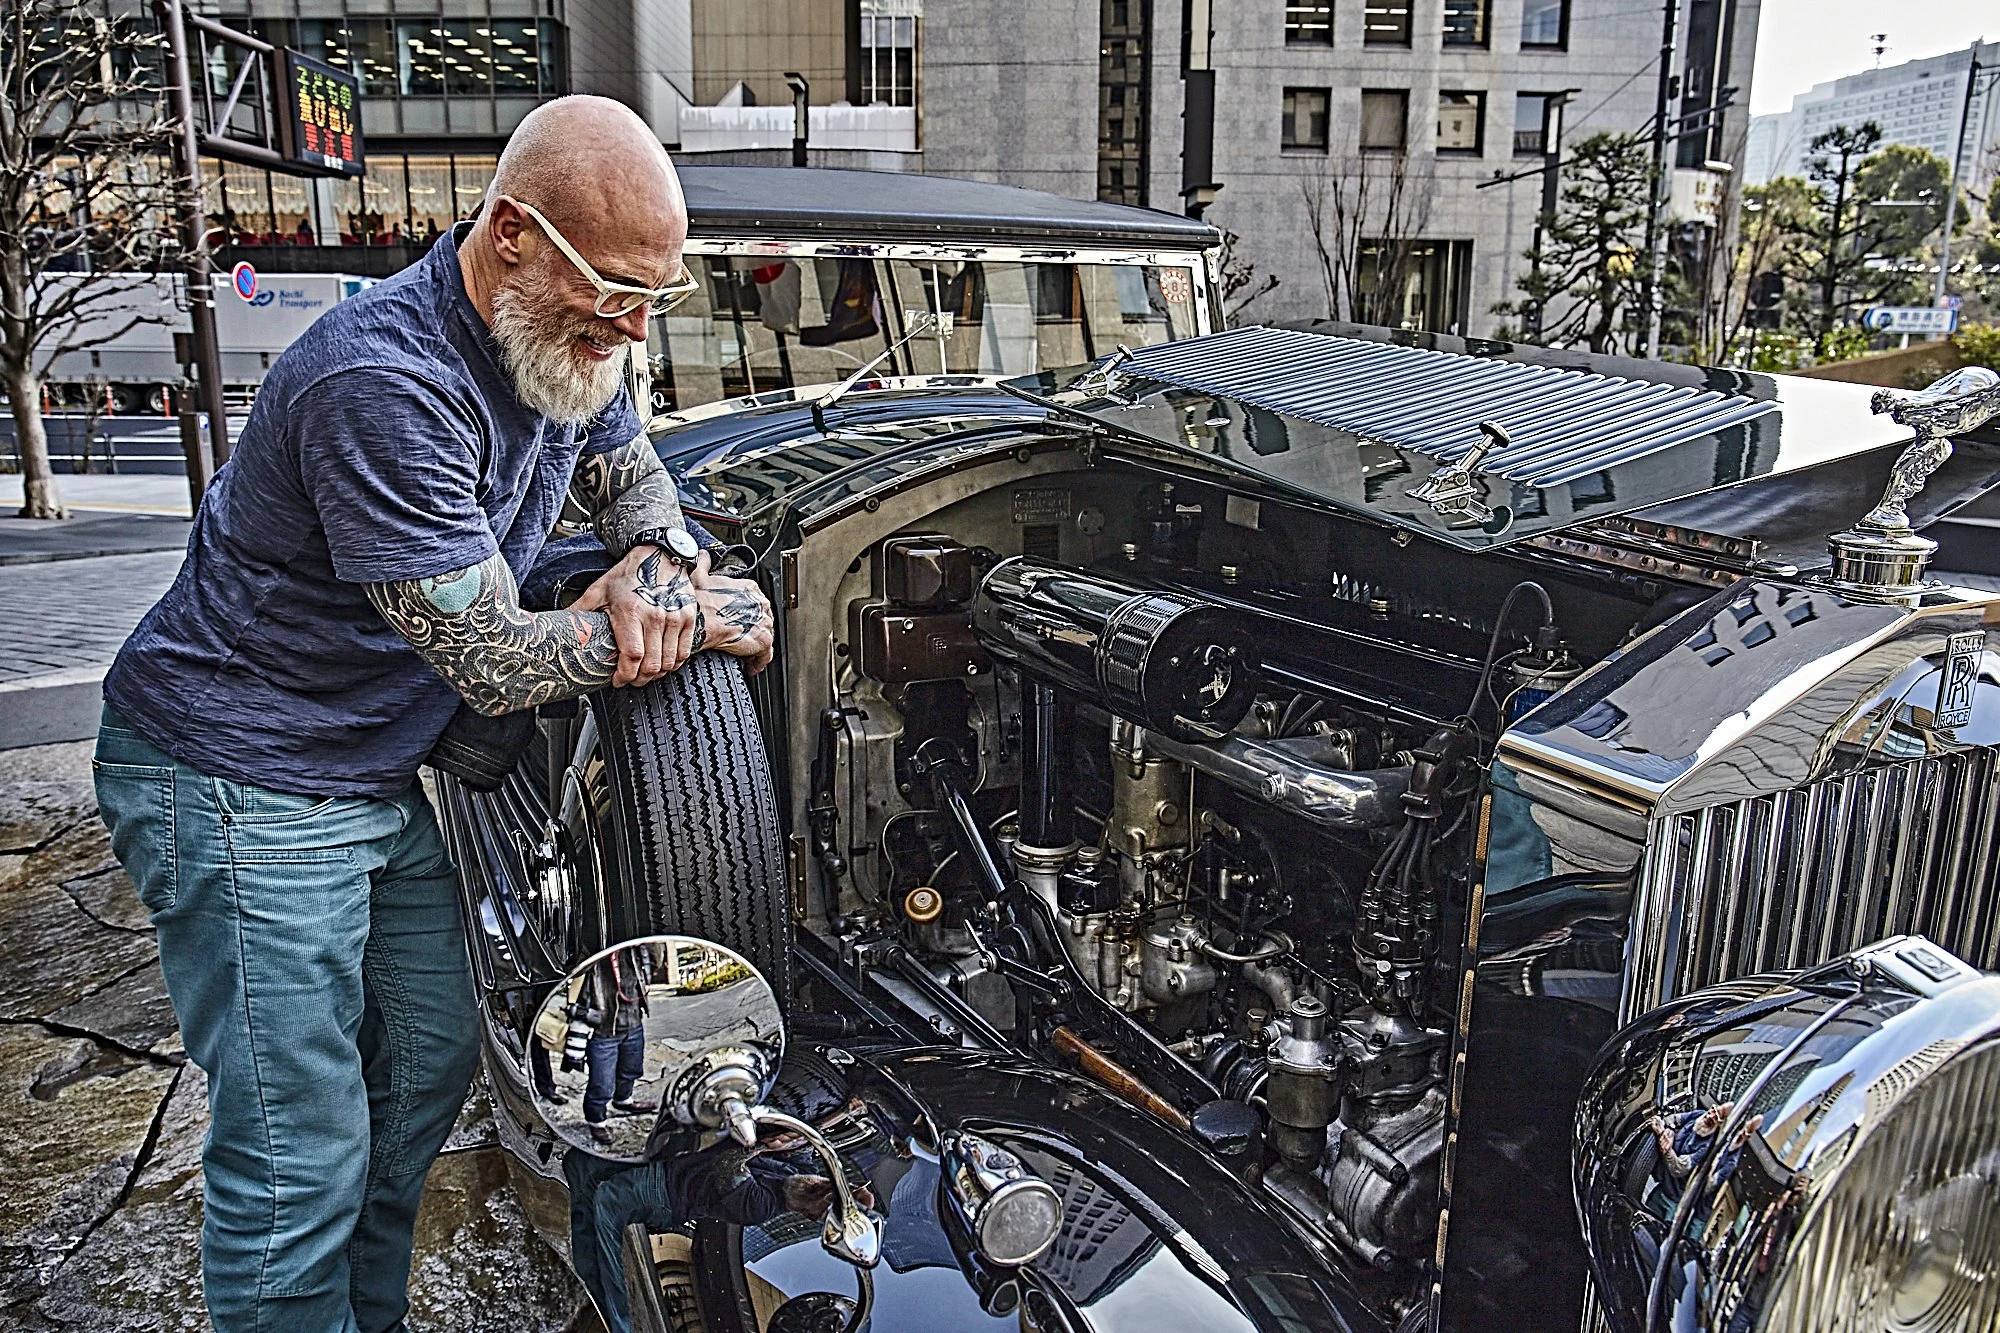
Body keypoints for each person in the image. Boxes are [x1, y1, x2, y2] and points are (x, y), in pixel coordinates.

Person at [91, 95, 772, 1332]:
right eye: (614, 289)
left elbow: (634, 485)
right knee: (298, 1148)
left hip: (365, 770)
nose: (631, 325)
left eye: (653, 297)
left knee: (421, 1075)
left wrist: (671, 570)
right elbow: (495, 661)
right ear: (511, 232)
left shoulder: (576, 344)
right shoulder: (379, 382)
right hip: (238, 771)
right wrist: (688, 620)